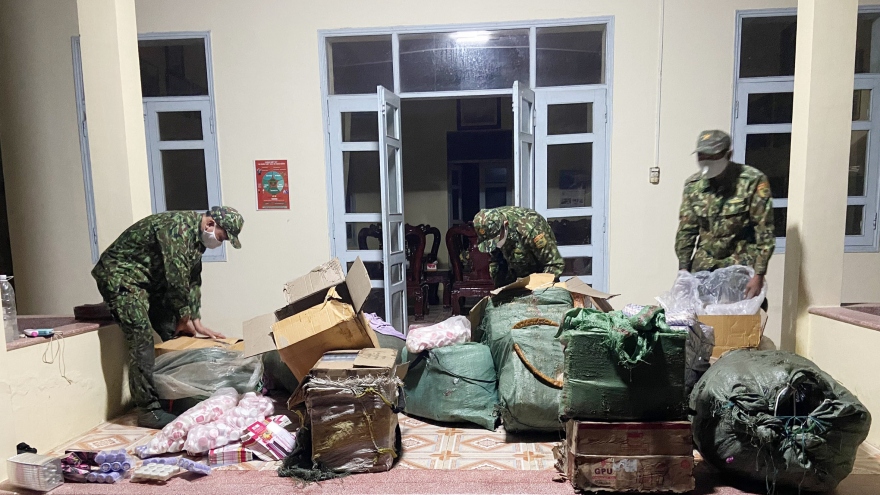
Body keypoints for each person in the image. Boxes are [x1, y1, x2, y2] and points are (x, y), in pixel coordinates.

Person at [91, 206, 244, 429]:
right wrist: (184, 317)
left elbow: (193, 280)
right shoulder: (178, 228)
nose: (220, 243)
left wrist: (196, 321)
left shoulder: (197, 240)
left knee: (173, 332)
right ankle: (148, 410)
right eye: (222, 238)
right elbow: (176, 278)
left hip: (149, 280)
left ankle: (175, 395)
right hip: (120, 277)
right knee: (141, 337)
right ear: (211, 224)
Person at [675, 130, 774, 299]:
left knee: (738, 315)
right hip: (704, 266)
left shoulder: (752, 181)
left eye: (712, 156)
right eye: (701, 156)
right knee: (700, 314)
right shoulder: (693, 186)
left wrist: (759, 274)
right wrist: (683, 271)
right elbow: (687, 230)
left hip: (740, 266)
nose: (706, 161)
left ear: (728, 155)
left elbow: (764, 231)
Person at [473, 206, 564, 288]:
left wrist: (538, 289)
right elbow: (496, 261)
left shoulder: (531, 229)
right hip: (514, 274)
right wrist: (499, 288)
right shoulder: (490, 224)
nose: (495, 245)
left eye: (496, 240)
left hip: (539, 275)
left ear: (505, 225)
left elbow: (555, 264)